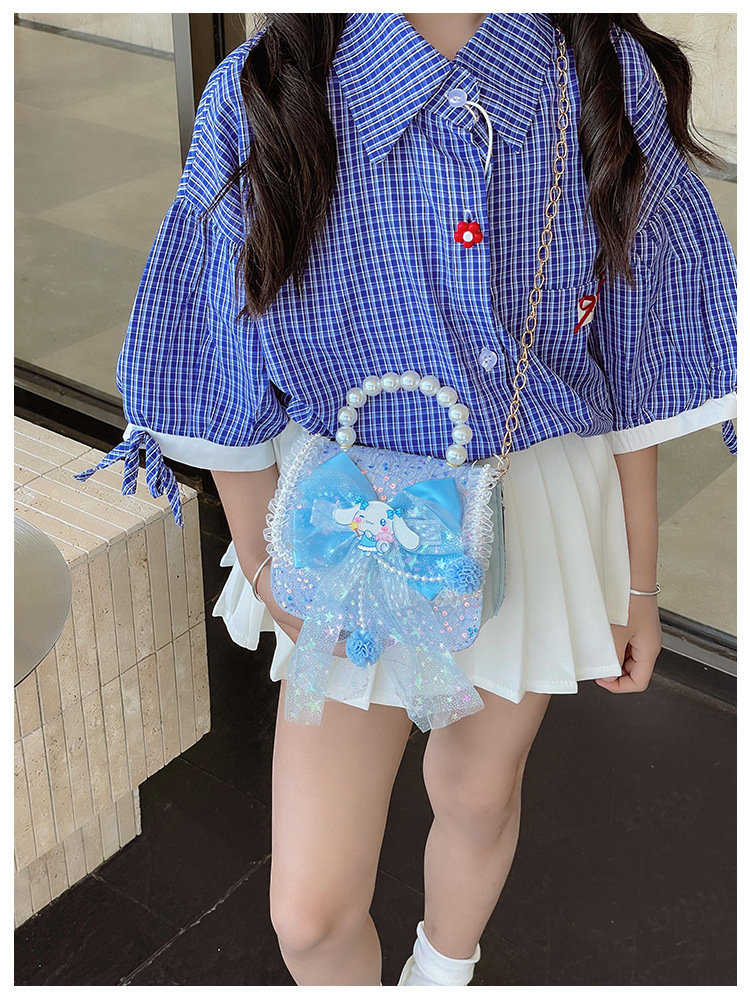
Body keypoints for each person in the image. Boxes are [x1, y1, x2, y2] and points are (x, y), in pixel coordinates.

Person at [73, 13, 737, 987]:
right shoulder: (267, 91)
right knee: (309, 913)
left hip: (532, 499)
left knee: (477, 791)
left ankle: (441, 972)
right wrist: (269, 566)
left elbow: (636, 348)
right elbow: (215, 352)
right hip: (344, 521)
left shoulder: (598, 72)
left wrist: (640, 585)